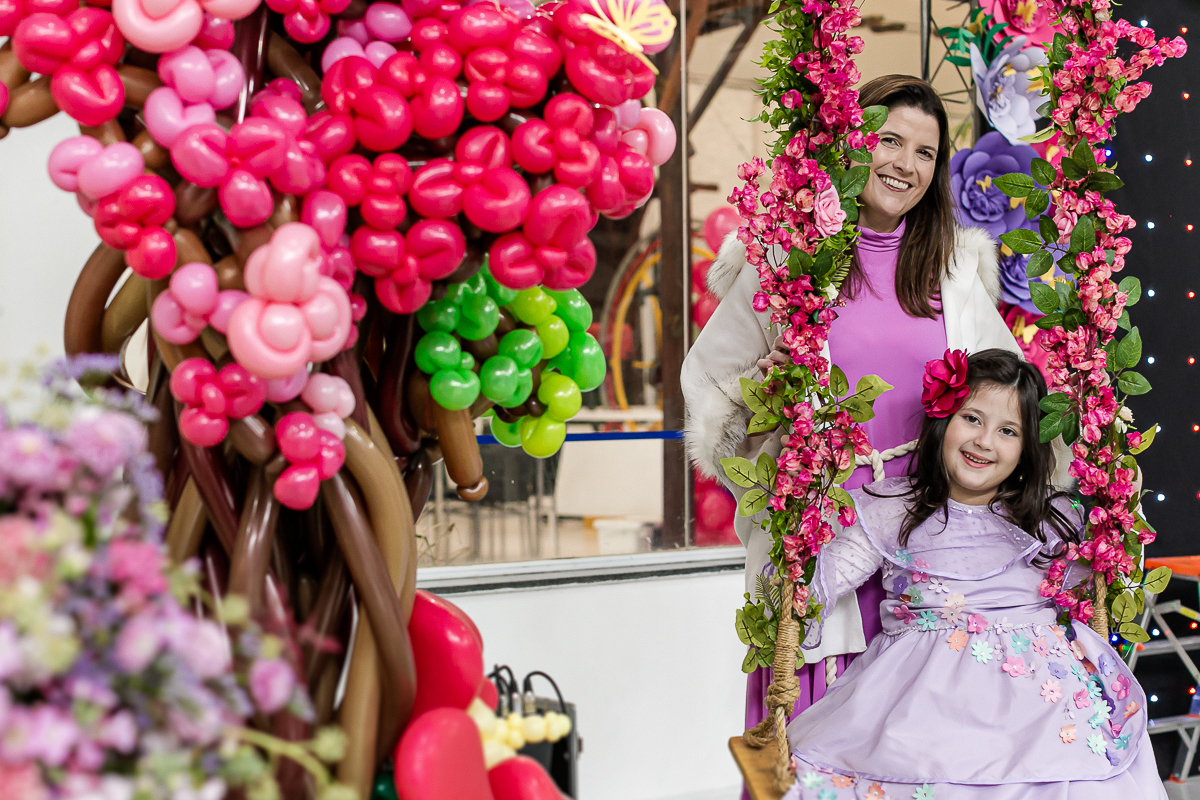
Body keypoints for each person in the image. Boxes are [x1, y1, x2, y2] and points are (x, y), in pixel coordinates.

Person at [681, 75, 1027, 734]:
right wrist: (766, 387)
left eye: (925, 153)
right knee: (816, 735)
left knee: (916, 742)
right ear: (849, 143)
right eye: (887, 139)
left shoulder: (953, 269)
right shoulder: (786, 257)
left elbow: (1010, 397)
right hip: (824, 541)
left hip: (928, 551)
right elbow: (708, 392)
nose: (904, 164)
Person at [784, 349, 1161, 800]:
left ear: (1025, 450)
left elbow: (1109, 581)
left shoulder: (1051, 517)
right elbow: (819, 583)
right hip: (920, 695)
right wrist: (797, 540)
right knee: (920, 775)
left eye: (1008, 431)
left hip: (1038, 701)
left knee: (1076, 783)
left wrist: (1124, 509)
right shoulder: (894, 509)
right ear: (944, 420)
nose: (984, 441)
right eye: (972, 419)